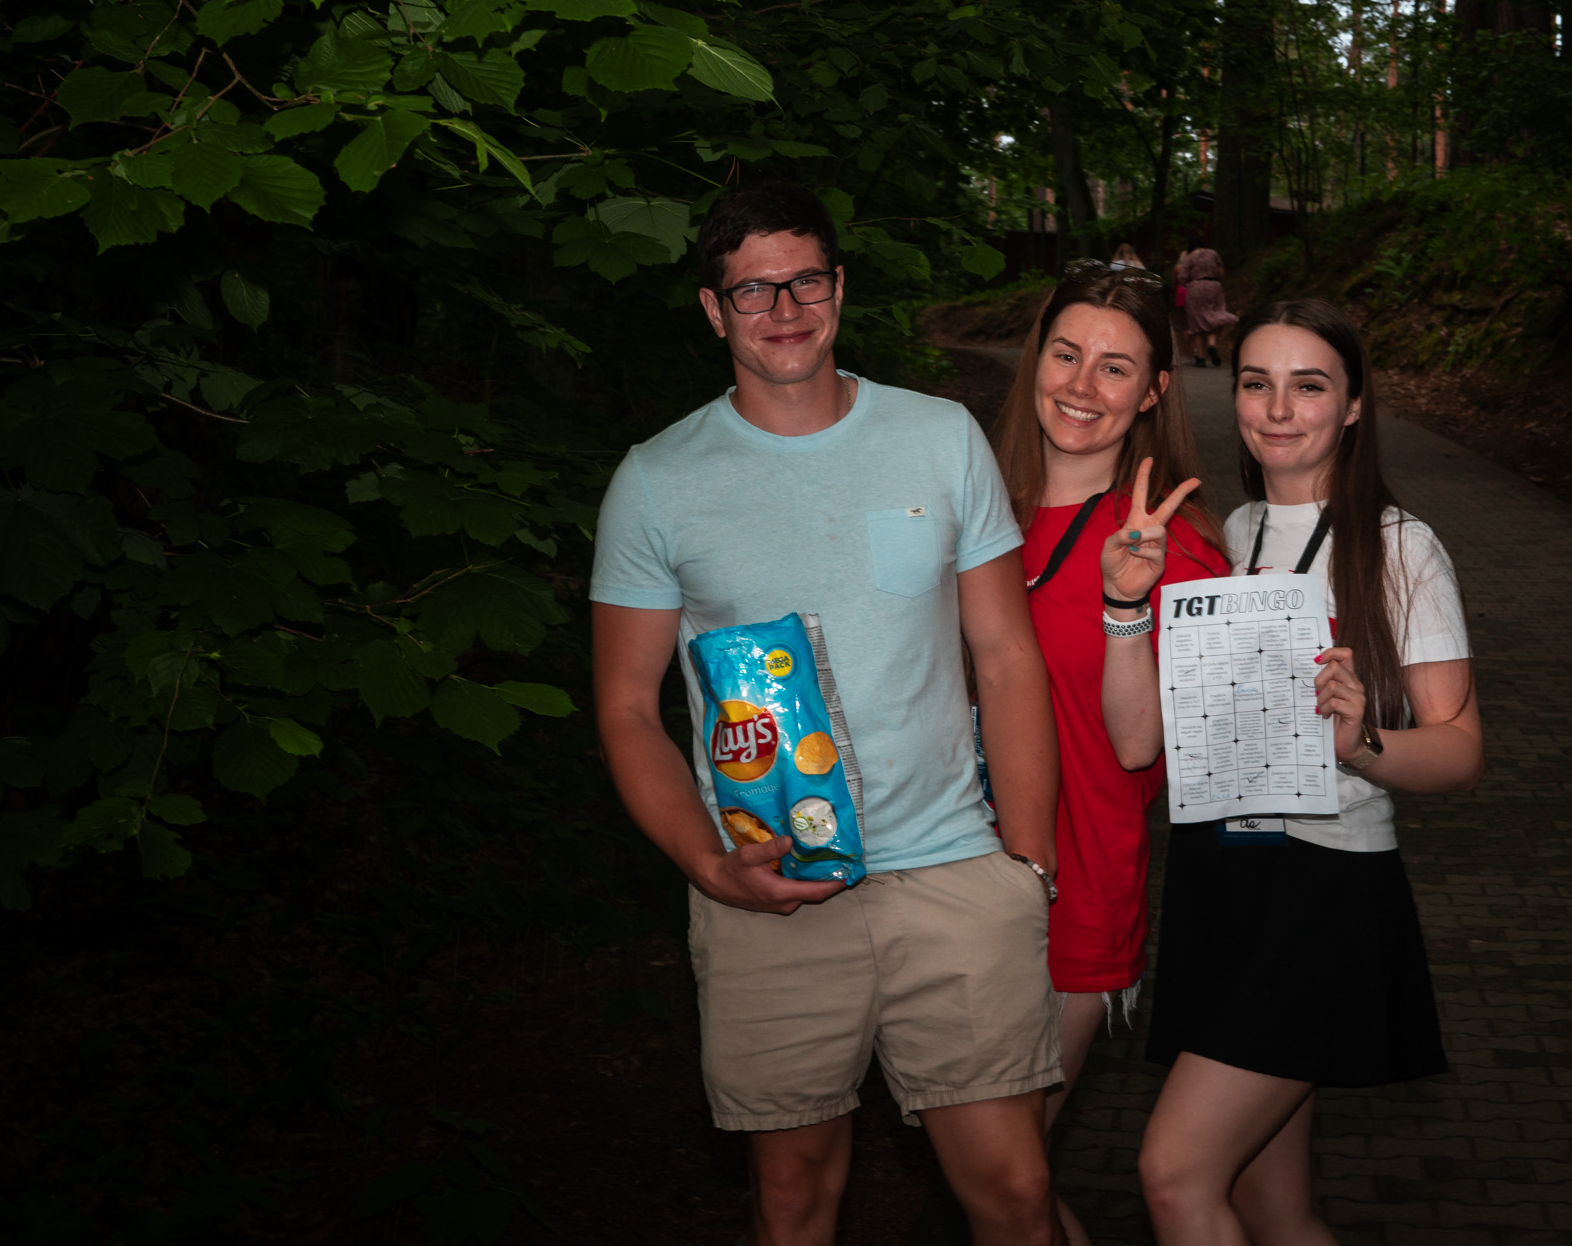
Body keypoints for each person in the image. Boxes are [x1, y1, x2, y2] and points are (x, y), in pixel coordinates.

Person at [589, 179, 1066, 1246]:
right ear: (713, 310)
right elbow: (625, 707)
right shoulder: (657, 482)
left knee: (1017, 1195)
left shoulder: (939, 438)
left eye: (805, 281)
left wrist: (1026, 866)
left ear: (839, 288)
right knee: (793, 1199)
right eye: (752, 290)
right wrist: (710, 867)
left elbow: (1006, 657)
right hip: (770, 889)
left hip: (952, 871)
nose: (783, 309)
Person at [1122, 298, 1485, 1245]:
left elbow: (1460, 748)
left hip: (1323, 887)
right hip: (1220, 872)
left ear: (1354, 405)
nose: (1279, 409)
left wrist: (1361, 744)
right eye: (1258, 383)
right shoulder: (1233, 530)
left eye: (1309, 385)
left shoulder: (1398, 545)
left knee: (1175, 1174)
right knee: (1268, 1206)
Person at [990, 264, 1229, 1245]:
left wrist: (1124, 602)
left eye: (1116, 367)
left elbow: (1142, 750)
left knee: (1007, 1178)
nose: (1082, 386)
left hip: (1075, 890)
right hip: (946, 883)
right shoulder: (975, 515)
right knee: (998, 1186)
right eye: (1066, 354)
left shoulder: (1177, 551)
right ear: (1034, 360)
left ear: (1154, 391)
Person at [1175, 241, 1236, 368]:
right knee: (1214, 316)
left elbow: (1181, 277)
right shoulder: (1213, 254)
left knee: (1196, 322)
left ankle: (1201, 358)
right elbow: (1221, 273)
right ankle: (1212, 345)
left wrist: (1190, 283)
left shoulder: (1189, 257)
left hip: (1195, 288)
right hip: (1214, 286)